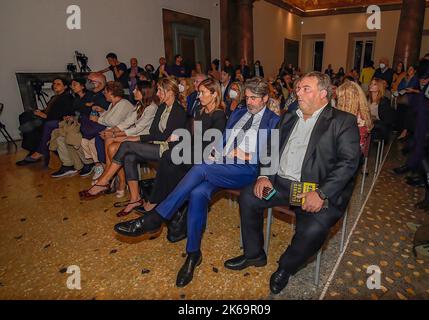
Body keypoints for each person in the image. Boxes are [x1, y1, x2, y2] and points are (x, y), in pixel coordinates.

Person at [114, 77, 280, 287]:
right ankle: (193, 254)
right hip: (221, 164)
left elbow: (271, 156)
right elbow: (223, 140)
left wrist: (246, 155)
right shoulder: (238, 113)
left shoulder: (273, 120)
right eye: (247, 97)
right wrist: (215, 152)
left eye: (255, 98)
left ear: (265, 98)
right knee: (197, 193)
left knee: (200, 168)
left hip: (246, 170)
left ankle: (155, 218)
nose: (250, 102)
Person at [223, 72, 361, 294]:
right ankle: (254, 254)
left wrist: (322, 193)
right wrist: (264, 175)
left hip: (313, 190)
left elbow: (349, 163)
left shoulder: (342, 121)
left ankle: (285, 267)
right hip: (280, 186)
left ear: (323, 94)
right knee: (249, 197)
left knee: (314, 228)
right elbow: (270, 148)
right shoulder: (289, 116)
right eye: (298, 88)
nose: (298, 92)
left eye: (306, 89)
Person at [79, 77, 186, 216]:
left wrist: (136, 137)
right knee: (128, 156)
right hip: (156, 144)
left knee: (126, 145)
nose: (157, 93)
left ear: (170, 92)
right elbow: (154, 132)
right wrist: (136, 137)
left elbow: (163, 136)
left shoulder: (178, 110)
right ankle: (134, 199)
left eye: (160, 90)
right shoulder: (162, 107)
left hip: (170, 150)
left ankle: (104, 181)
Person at [141, 78, 227, 217]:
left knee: (171, 160)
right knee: (168, 157)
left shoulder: (219, 115)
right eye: (198, 92)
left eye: (202, 93)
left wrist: (185, 149)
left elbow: (211, 144)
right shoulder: (200, 110)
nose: (199, 96)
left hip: (207, 155)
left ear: (214, 94)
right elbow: (195, 137)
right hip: (195, 150)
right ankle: (162, 201)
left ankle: (159, 202)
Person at [16, 78, 74, 166]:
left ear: (65, 87)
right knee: (25, 115)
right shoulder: (54, 97)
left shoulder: (67, 97)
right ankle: (32, 144)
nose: (55, 85)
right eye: (54, 83)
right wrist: (41, 112)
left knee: (36, 126)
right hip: (48, 117)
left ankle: (36, 151)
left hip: (57, 120)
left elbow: (64, 114)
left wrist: (44, 115)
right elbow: (50, 110)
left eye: (58, 84)